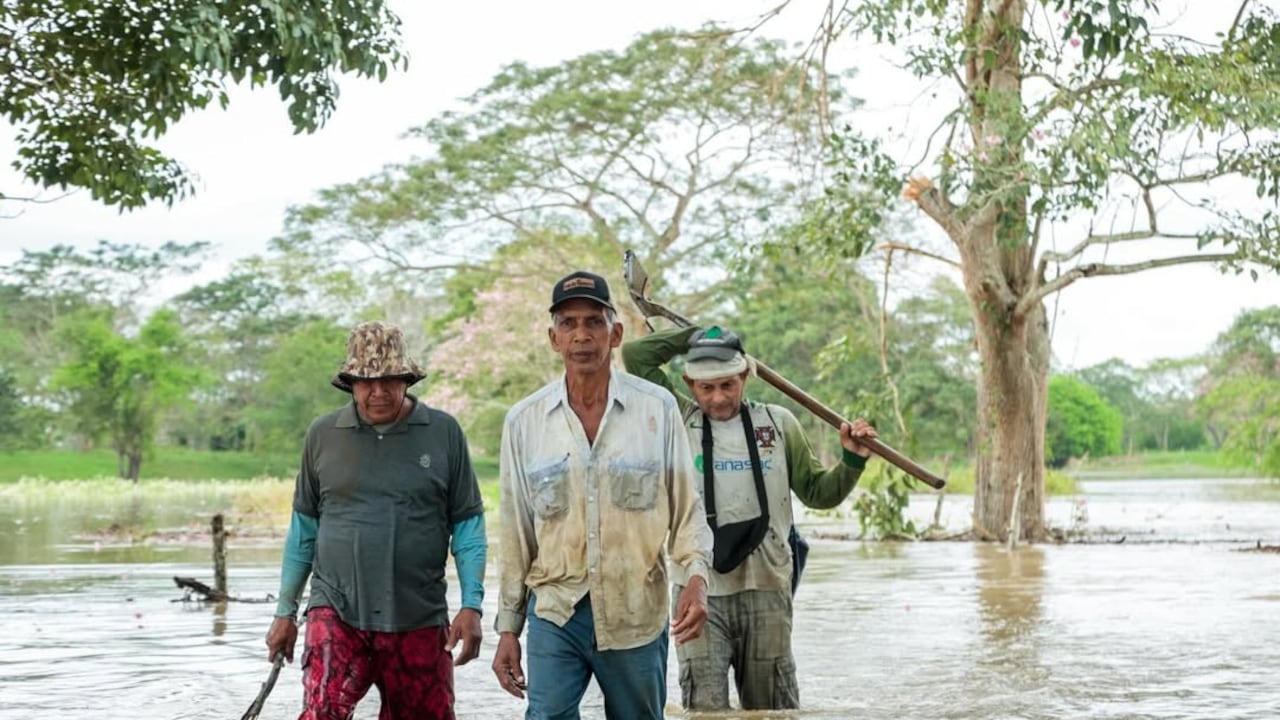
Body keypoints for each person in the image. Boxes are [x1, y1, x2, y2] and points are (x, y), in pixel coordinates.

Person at [491, 270, 714, 720]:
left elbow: (686, 509)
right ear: (553, 338)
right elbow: (516, 532)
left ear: (616, 334)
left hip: (635, 609)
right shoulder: (525, 422)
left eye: (593, 322)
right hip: (556, 610)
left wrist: (696, 578)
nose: (581, 336)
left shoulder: (657, 409)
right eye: (569, 324)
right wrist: (509, 627)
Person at [621, 323, 877, 711]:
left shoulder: (778, 423)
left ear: (745, 376)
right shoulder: (677, 418)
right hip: (697, 590)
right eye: (706, 388)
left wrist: (852, 459)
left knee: (772, 708)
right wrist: (696, 334)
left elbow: (819, 494)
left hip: (768, 588)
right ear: (690, 385)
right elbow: (636, 356)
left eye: (728, 384)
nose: (719, 398)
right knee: (704, 708)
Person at [264, 320, 487, 720]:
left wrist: (471, 605)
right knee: (323, 712)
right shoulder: (322, 435)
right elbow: (304, 531)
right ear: (350, 382)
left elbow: (468, 527)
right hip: (336, 609)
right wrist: (285, 612)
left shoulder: (443, 432)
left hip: (418, 615)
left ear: (407, 379)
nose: (379, 392)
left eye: (390, 380)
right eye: (367, 382)